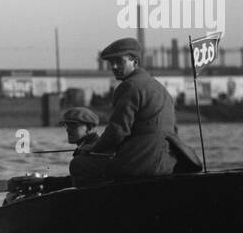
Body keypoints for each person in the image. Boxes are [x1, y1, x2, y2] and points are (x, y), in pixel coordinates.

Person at [70, 38, 180, 185]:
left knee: (78, 164)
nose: (114, 66)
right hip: (167, 163)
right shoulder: (159, 88)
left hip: (141, 165)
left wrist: (91, 149)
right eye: (111, 63)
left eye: (119, 61)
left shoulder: (129, 86)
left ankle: (93, 205)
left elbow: (117, 132)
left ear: (135, 62)